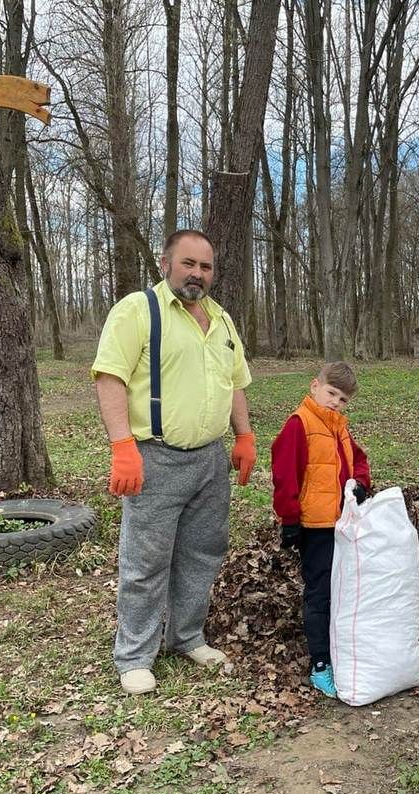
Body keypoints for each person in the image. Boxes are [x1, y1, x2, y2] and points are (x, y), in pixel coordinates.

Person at [92, 229, 257, 696]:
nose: (197, 274)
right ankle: (134, 657)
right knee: (146, 561)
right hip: (156, 457)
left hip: (210, 460)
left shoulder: (222, 321)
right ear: (166, 264)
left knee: (202, 552)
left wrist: (243, 435)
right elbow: (109, 377)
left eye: (205, 267)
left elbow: (236, 382)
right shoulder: (137, 311)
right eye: (188, 264)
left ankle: (186, 636)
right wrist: (122, 445)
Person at [271, 362, 371, 698]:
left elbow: (357, 459)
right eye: (331, 393)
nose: (335, 403)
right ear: (315, 386)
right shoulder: (299, 425)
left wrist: (360, 483)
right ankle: (319, 663)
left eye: (343, 400)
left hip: (340, 524)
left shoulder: (339, 427)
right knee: (320, 593)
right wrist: (289, 520)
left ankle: (339, 650)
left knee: (341, 589)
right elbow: (284, 474)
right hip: (314, 526)